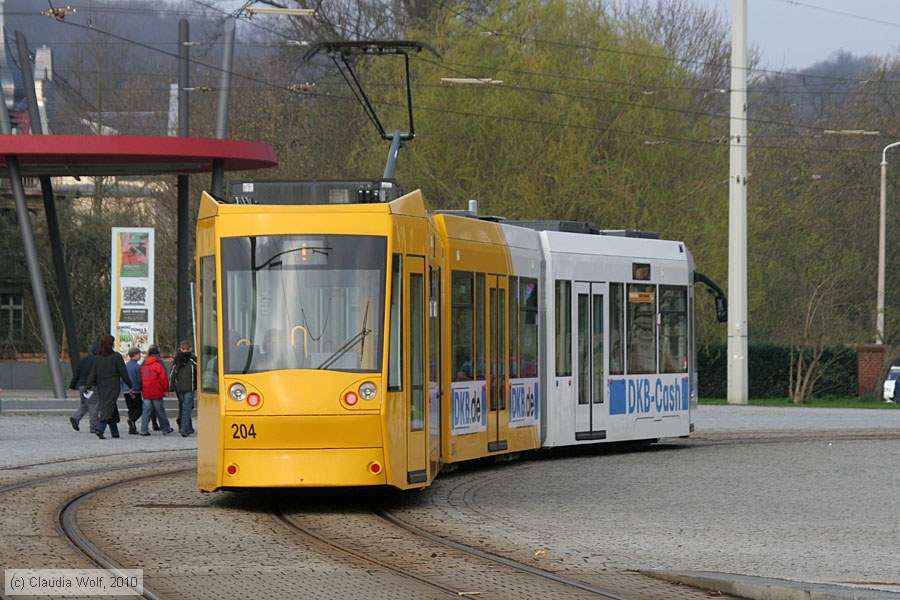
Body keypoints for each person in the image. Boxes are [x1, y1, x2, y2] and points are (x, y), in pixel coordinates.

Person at [85, 334, 132, 440]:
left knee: (109, 405)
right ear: (111, 344)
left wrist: (88, 385)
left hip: (101, 386)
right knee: (109, 406)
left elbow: (93, 373)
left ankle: (115, 432)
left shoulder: (98, 358)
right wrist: (130, 385)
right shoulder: (116, 356)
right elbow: (123, 373)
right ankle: (100, 428)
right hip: (113, 386)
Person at [139, 345, 173, 436]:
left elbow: (140, 378)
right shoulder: (158, 365)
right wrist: (166, 389)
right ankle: (165, 428)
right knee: (160, 410)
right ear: (157, 355)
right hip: (156, 391)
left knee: (146, 411)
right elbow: (163, 379)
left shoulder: (143, 365)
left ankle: (143, 429)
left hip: (146, 392)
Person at [69, 342, 99, 433]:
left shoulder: (83, 360)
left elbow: (77, 373)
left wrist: (72, 385)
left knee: (85, 404)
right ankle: (94, 427)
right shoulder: (97, 361)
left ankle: (76, 417)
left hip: (81, 386)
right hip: (91, 386)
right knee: (94, 405)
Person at [170, 340, 197, 437]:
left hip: (179, 387)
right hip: (190, 387)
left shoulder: (176, 360)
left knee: (184, 407)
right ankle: (184, 429)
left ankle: (187, 426)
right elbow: (199, 371)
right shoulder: (193, 360)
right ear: (191, 349)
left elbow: (172, 374)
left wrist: (171, 387)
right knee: (187, 408)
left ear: (180, 349)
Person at [123, 347, 143, 435]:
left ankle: (132, 428)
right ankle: (132, 420)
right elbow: (139, 379)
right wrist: (141, 387)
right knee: (139, 408)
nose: (140, 356)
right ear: (135, 355)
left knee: (130, 408)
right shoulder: (138, 366)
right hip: (135, 390)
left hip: (125, 390)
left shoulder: (125, 366)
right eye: (139, 354)